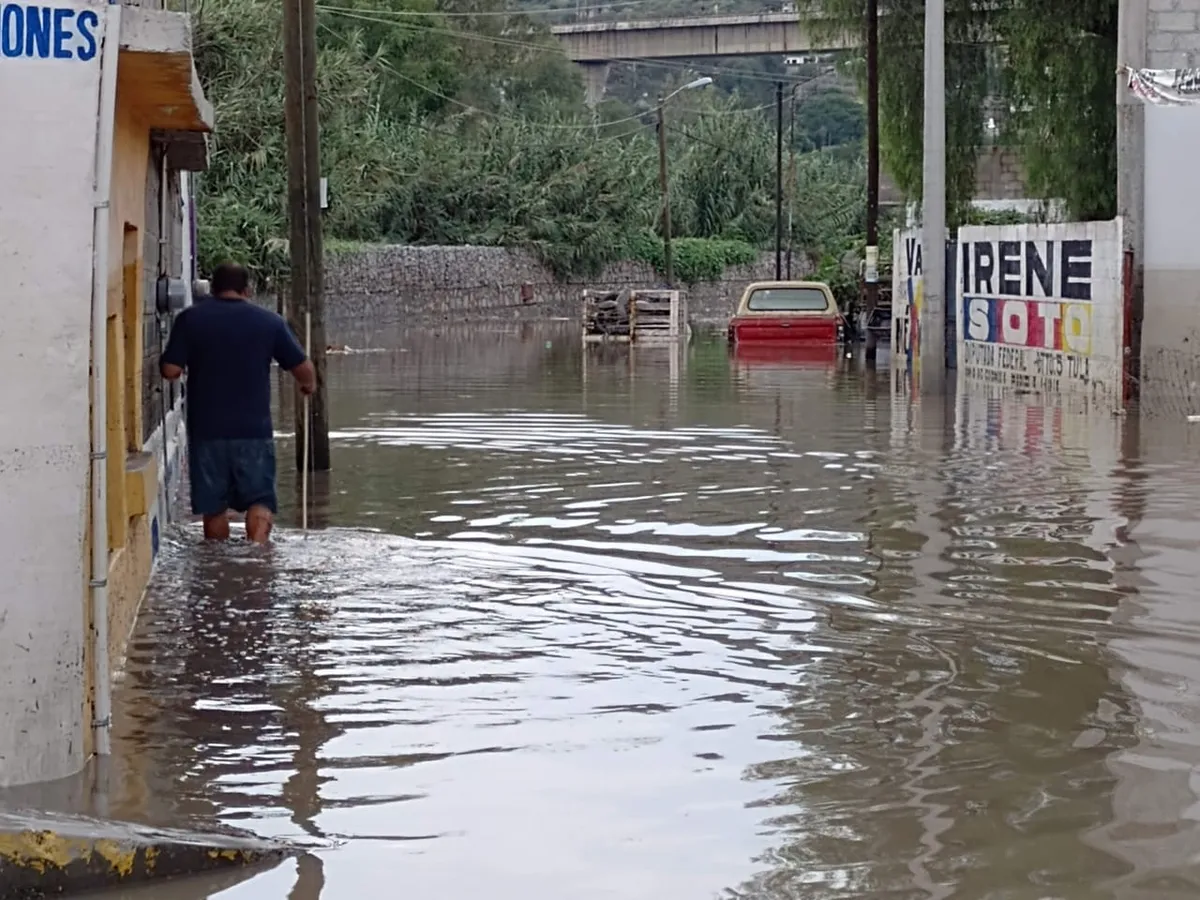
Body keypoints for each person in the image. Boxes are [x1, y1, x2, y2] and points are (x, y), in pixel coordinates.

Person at [161, 262, 316, 543]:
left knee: (213, 507)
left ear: (213, 288)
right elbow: (302, 368)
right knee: (260, 500)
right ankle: (257, 557)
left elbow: (170, 370)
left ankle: (218, 562)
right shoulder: (269, 322)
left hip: (207, 431)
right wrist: (308, 385)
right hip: (254, 431)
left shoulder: (190, 319)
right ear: (248, 289)